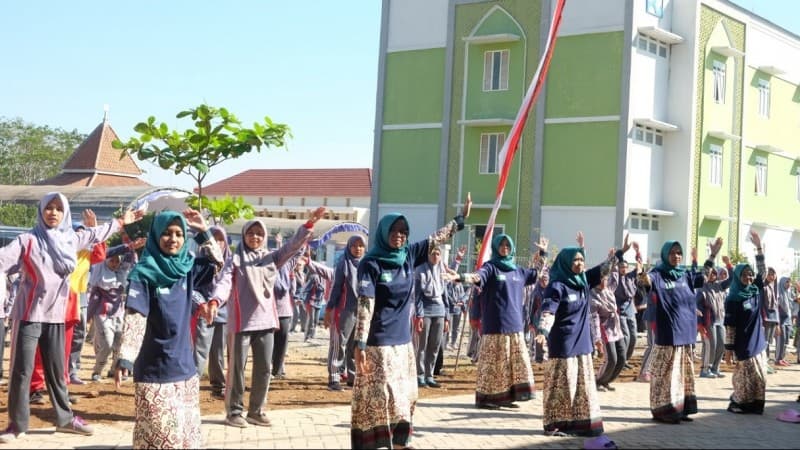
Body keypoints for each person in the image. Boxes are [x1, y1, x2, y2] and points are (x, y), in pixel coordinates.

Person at [0, 192, 143, 443]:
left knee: (58, 370)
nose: (53, 212)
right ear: (41, 211)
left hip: (57, 315)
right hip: (29, 315)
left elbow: (98, 233)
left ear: (64, 212)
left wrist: (122, 221)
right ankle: (16, 424)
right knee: (22, 371)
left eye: (58, 208)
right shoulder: (27, 240)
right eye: (48, 208)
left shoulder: (71, 240)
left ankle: (65, 420)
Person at [351, 193, 471, 449]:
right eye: (394, 230)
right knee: (381, 396)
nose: (399, 235)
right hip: (378, 344)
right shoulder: (370, 263)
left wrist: (460, 219)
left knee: (406, 395)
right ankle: (373, 443)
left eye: (404, 231)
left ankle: (401, 442)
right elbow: (365, 304)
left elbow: (437, 237)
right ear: (384, 232)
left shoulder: (408, 255)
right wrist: (360, 343)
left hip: (404, 343)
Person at [114, 209, 221, 448]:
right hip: (155, 373)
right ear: (155, 236)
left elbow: (218, 262)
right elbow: (136, 316)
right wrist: (126, 357)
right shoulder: (142, 275)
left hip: (185, 372)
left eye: (179, 234)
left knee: (187, 440)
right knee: (162, 439)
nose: (173, 239)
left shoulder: (186, 269)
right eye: (166, 233)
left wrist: (204, 232)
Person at [212, 208, 326, 428]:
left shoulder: (271, 258)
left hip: (266, 322)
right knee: (236, 369)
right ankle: (234, 411)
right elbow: (225, 282)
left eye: (259, 234)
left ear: (264, 238)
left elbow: (292, 246)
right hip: (241, 323)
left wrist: (308, 225)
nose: (255, 237)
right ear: (244, 235)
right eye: (251, 233)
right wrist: (216, 301)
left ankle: (256, 411)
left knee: (265, 368)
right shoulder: (235, 260)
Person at [535, 232, 617, 443]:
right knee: (562, 385)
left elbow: (604, 270)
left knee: (582, 385)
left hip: (582, 342)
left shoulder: (583, 281)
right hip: (563, 343)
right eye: (575, 260)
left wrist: (620, 254)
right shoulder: (557, 286)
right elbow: (548, 311)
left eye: (581, 259)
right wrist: (543, 331)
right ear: (565, 263)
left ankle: (581, 422)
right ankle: (555, 424)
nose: (580, 263)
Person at [637, 236, 723, 424]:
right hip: (668, 333)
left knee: (683, 373)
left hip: (686, 332)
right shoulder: (658, 274)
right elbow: (645, 282)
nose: (676, 256)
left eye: (679, 253)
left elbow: (705, 274)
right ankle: (664, 410)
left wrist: (713, 254)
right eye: (672, 253)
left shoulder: (685, 275)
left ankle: (680, 408)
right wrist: (641, 273)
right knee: (666, 374)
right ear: (665, 254)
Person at [459, 234, 546, 409]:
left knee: (511, 363)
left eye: (508, 244)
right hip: (494, 325)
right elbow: (478, 276)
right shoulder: (490, 267)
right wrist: (461, 277)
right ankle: (487, 399)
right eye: (502, 245)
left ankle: (507, 397)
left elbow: (536, 273)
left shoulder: (518, 270)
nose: (505, 247)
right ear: (496, 247)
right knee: (494, 363)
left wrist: (542, 253)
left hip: (515, 325)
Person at [724, 230, 768, 414]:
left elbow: (763, 272)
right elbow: (730, 327)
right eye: (745, 275)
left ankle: (754, 405)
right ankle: (737, 402)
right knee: (745, 375)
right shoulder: (733, 298)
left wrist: (758, 247)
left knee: (760, 375)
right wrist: (728, 349)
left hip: (758, 340)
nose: (749, 278)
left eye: (750, 275)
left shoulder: (755, 290)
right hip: (743, 342)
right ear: (738, 277)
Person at [87, 240, 141, 381]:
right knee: (107, 345)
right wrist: (88, 315)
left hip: (119, 313)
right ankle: (97, 371)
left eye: (117, 261)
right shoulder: (100, 275)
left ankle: (113, 370)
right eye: (112, 261)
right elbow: (93, 299)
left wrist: (131, 246)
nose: (114, 264)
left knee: (119, 344)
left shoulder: (121, 273)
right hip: (102, 314)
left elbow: (129, 260)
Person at [192, 225, 232, 399]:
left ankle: (218, 386)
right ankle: (191, 385)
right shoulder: (198, 261)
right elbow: (191, 287)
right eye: (214, 238)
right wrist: (202, 303)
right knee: (200, 350)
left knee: (218, 352)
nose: (218, 242)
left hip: (223, 312)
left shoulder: (230, 263)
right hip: (203, 310)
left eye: (221, 238)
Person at [324, 235, 367, 391]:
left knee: (355, 344)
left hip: (361, 310)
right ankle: (334, 378)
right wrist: (329, 309)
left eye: (361, 245)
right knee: (339, 343)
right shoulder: (343, 264)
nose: (358, 248)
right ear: (349, 247)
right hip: (343, 310)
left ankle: (352, 376)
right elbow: (335, 288)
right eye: (354, 245)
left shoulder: (367, 264)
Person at [413, 245, 451, 389]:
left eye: (437, 254)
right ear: (427, 255)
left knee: (435, 345)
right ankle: (420, 375)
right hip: (426, 310)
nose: (435, 256)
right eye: (432, 253)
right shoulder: (420, 270)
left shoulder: (441, 271)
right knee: (422, 345)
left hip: (439, 311)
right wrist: (419, 315)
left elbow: (445, 296)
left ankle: (430, 375)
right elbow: (417, 296)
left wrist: (447, 317)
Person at [696, 256, 732, 378]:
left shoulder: (720, 286)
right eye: (710, 273)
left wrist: (728, 265)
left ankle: (715, 368)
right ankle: (705, 369)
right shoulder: (702, 288)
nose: (713, 275)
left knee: (721, 345)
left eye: (715, 273)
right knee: (711, 345)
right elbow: (697, 307)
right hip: (708, 321)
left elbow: (732, 279)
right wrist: (699, 324)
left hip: (720, 321)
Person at [591, 269, 625, 392]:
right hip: (604, 330)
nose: (603, 282)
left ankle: (607, 380)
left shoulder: (609, 290)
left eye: (605, 279)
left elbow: (615, 278)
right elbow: (594, 319)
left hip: (616, 327)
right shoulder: (593, 296)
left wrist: (616, 260)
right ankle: (598, 380)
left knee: (622, 358)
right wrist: (597, 338)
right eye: (600, 279)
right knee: (612, 359)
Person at [774, 275, 795, 367]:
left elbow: (792, 304)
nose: (789, 284)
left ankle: (782, 358)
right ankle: (778, 359)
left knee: (786, 340)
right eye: (787, 282)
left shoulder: (788, 293)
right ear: (782, 283)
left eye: (789, 282)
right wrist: (777, 323)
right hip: (780, 319)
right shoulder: (779, 294)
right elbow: (776, 308)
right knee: (781, 340)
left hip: (788, 319)